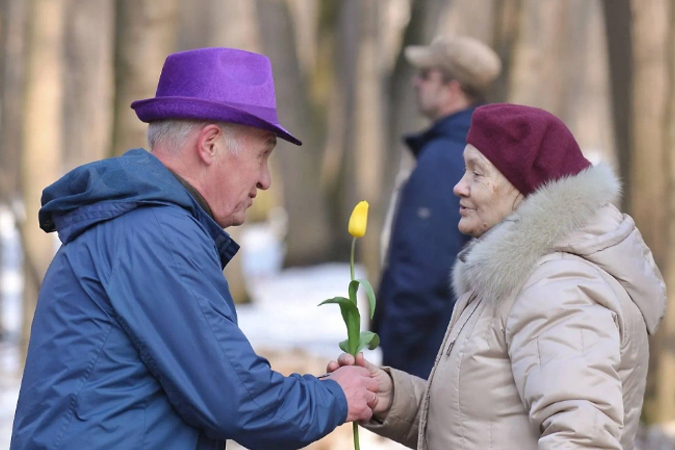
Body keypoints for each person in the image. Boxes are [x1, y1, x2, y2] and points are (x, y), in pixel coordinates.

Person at [11, 48, 380, 450]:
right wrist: (337, 396)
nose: (265, 180)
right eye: (262, 155)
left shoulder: (139, 224)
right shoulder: (156, 234)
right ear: (210, 144)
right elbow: (239, 401)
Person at [332, 104, 667, 449]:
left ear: (526, 186)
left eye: (477, 174)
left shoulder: (557, 287)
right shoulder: (519, 276)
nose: (458, 187)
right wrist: (394, 398)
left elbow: (584, 438)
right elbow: (480, 425)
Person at [373, 36, 501, 379]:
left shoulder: (446, 158)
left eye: (426, 75)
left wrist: (396, 357)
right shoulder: (478, 150)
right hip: (456, 353)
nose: (417, 82)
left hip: (430, 356)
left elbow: (423, 269)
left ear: (452, 87)